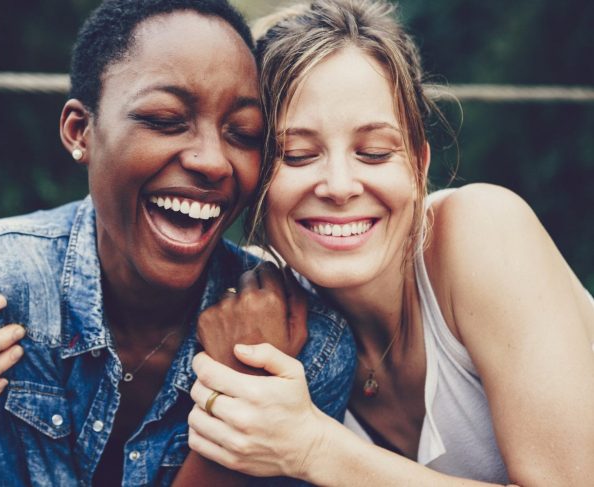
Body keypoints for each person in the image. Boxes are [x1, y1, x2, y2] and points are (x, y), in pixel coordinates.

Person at [0, 1, 357, 485]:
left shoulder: (309, 349)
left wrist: (248, 387)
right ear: (80, 131)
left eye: (242, 133)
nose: (213, 161)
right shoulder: (2, 285)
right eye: (166, 119)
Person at [184, 0, 594, 485]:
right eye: (296, 155)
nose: (339, 186)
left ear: (419, 166)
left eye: (374, 153)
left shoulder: (483, 229)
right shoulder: (267, 309)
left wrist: (316, 448)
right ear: (254, 181)